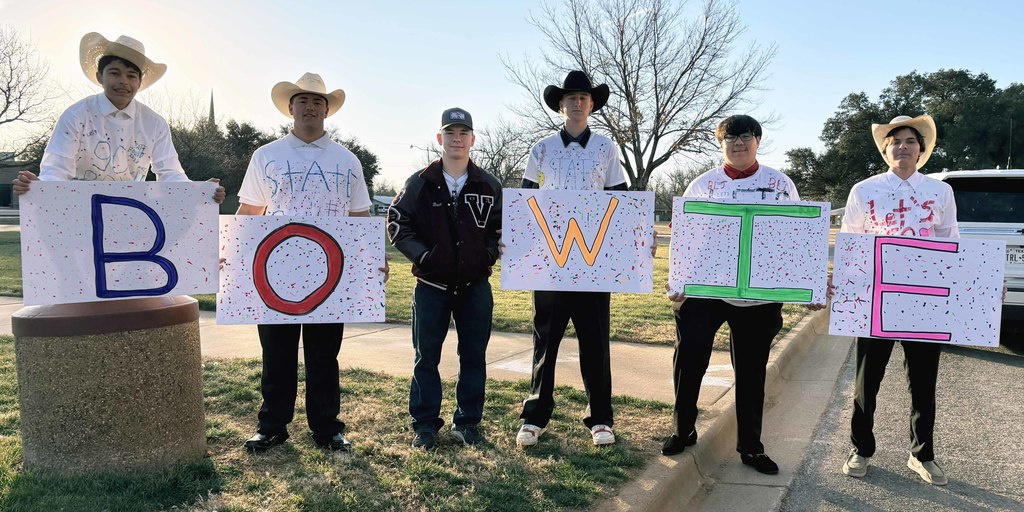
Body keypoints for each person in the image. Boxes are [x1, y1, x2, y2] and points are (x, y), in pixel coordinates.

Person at [236, 73, 386, 453]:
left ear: (327, 110)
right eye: (303, 100)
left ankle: (327, 427)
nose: (310, 107)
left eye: (318, 102)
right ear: (290, 107)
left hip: (328, 274)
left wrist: (372, 261)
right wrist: (233, 254)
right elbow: (250, 210)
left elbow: (360, 218)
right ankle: (272, 425)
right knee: (277, 354)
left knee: (324, 354)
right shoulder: (265, 155)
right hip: (276, 269)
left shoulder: (347, 160)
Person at [662, 115, 798, 475]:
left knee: (751, 371)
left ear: (758, 140)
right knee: (689, 361)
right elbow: (683, 237)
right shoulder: (702, 185)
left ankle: (751, 448)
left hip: (757, 295)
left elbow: (795, 237)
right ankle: (683, 429)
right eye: (730, 137)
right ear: (720, 143)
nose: (738, 143)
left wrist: (806, 284)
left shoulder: (780, 184)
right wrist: (678, 280)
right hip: (706, 291)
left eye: (746, 136)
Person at [837, 114, 957, 485]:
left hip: (924, 301)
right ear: (885, 148)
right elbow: (851, 241)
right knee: (866, 381)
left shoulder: (940, 192)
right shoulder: (864, 190)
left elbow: (951, 242)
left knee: (923, 382)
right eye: (896, 141)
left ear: (921, 150)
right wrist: (843, 286)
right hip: (877, 297)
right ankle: (861, 448)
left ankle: (922, 454)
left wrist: (977, 287)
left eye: (910, 141)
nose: (903, 147)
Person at [515, 70, 630, 447]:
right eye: (570, 97)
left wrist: (636, 242)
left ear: (592, 104)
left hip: (593, 259)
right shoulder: (542, 148)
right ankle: (535, 417)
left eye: (583, 97)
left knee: (594, 341)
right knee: (545, 339)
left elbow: (621, 201)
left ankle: (600, 419)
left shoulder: (606, 149)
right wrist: (516, 245)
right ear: (560, 105)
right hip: (552, 257)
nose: (577, 103)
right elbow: (525, 201)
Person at [387, 107, 502, 450]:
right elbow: (397, 222)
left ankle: (467, 422)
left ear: (472, 140)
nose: (457, 139)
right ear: (440, 139)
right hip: (431, 287)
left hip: (474, 287)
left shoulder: (488, 184)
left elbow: (502, 229)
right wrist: (423, 256)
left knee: (473, 356)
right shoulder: (420, 182)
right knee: (426, 357)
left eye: (463, 133)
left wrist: (487, 256)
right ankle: (424, 424)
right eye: (450, 133)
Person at [12, 32, 224, 202]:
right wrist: (38, 186)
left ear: (139, 83)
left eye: (131, 75)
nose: (123, 81)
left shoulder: (154, 123)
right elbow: (57, 170)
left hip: (131, 211)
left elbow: (170, 173)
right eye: (115, 73)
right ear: (99, 76)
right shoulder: (76, 115)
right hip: (78, 210)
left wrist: (200, 190)